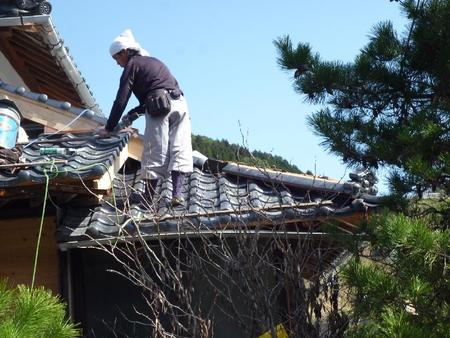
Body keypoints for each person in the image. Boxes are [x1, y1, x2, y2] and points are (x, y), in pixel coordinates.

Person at [98, 29, 193, 207]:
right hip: (180, 103)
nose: (117, 63)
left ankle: (148, 199)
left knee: (154, 150)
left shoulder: (132, 65)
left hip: (159, 107)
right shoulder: (153, 62)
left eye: (116, 58)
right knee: (180, 147)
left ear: (124, 52)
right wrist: (132, 116)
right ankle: (177, 195)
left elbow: (121, 99)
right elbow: (157, 93)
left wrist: (109, 128)